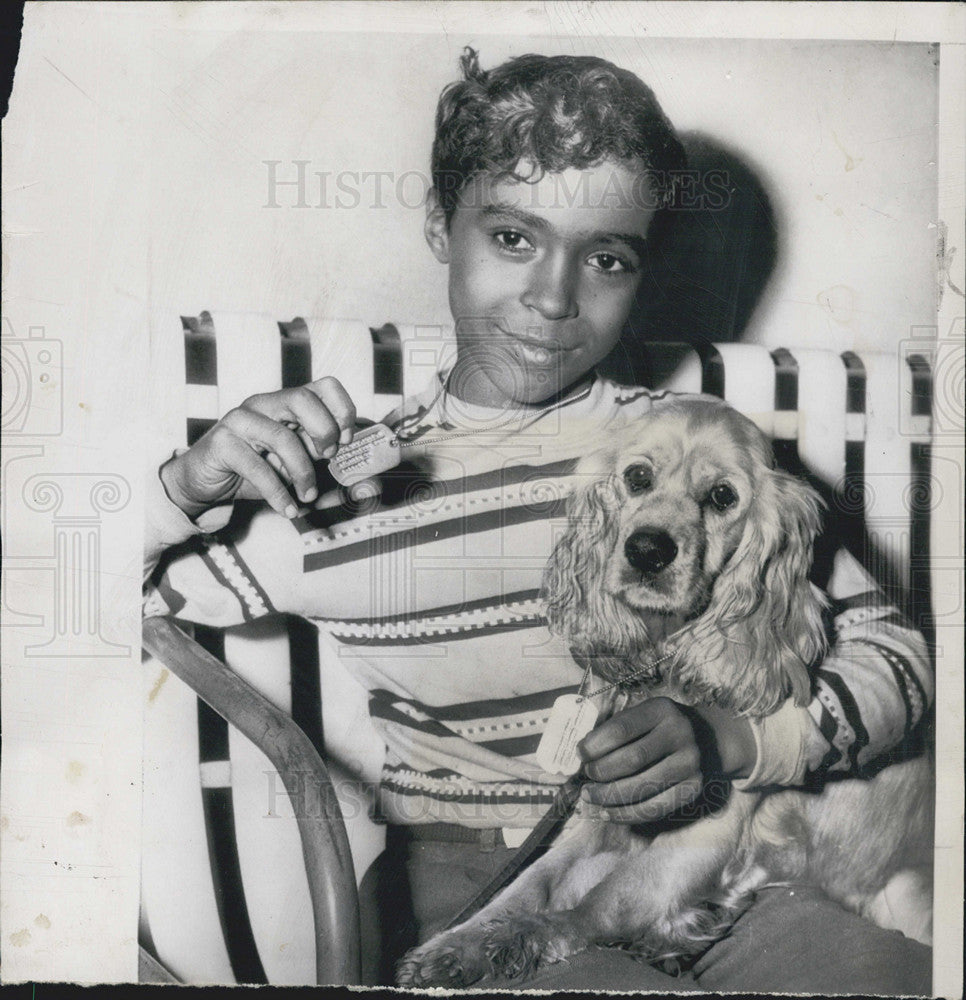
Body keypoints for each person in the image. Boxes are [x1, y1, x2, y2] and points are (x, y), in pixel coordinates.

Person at [144, 49, 933, 993]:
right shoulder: (336, 485)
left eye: (604, 258)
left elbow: (900, 664)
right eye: (515, 238)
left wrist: (736, 740)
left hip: (741, 869)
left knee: (882, 976)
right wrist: (180, 491)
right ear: (441, 225)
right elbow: (75, 602)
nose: (554, 300)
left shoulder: (691, 448)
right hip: (473, 876)